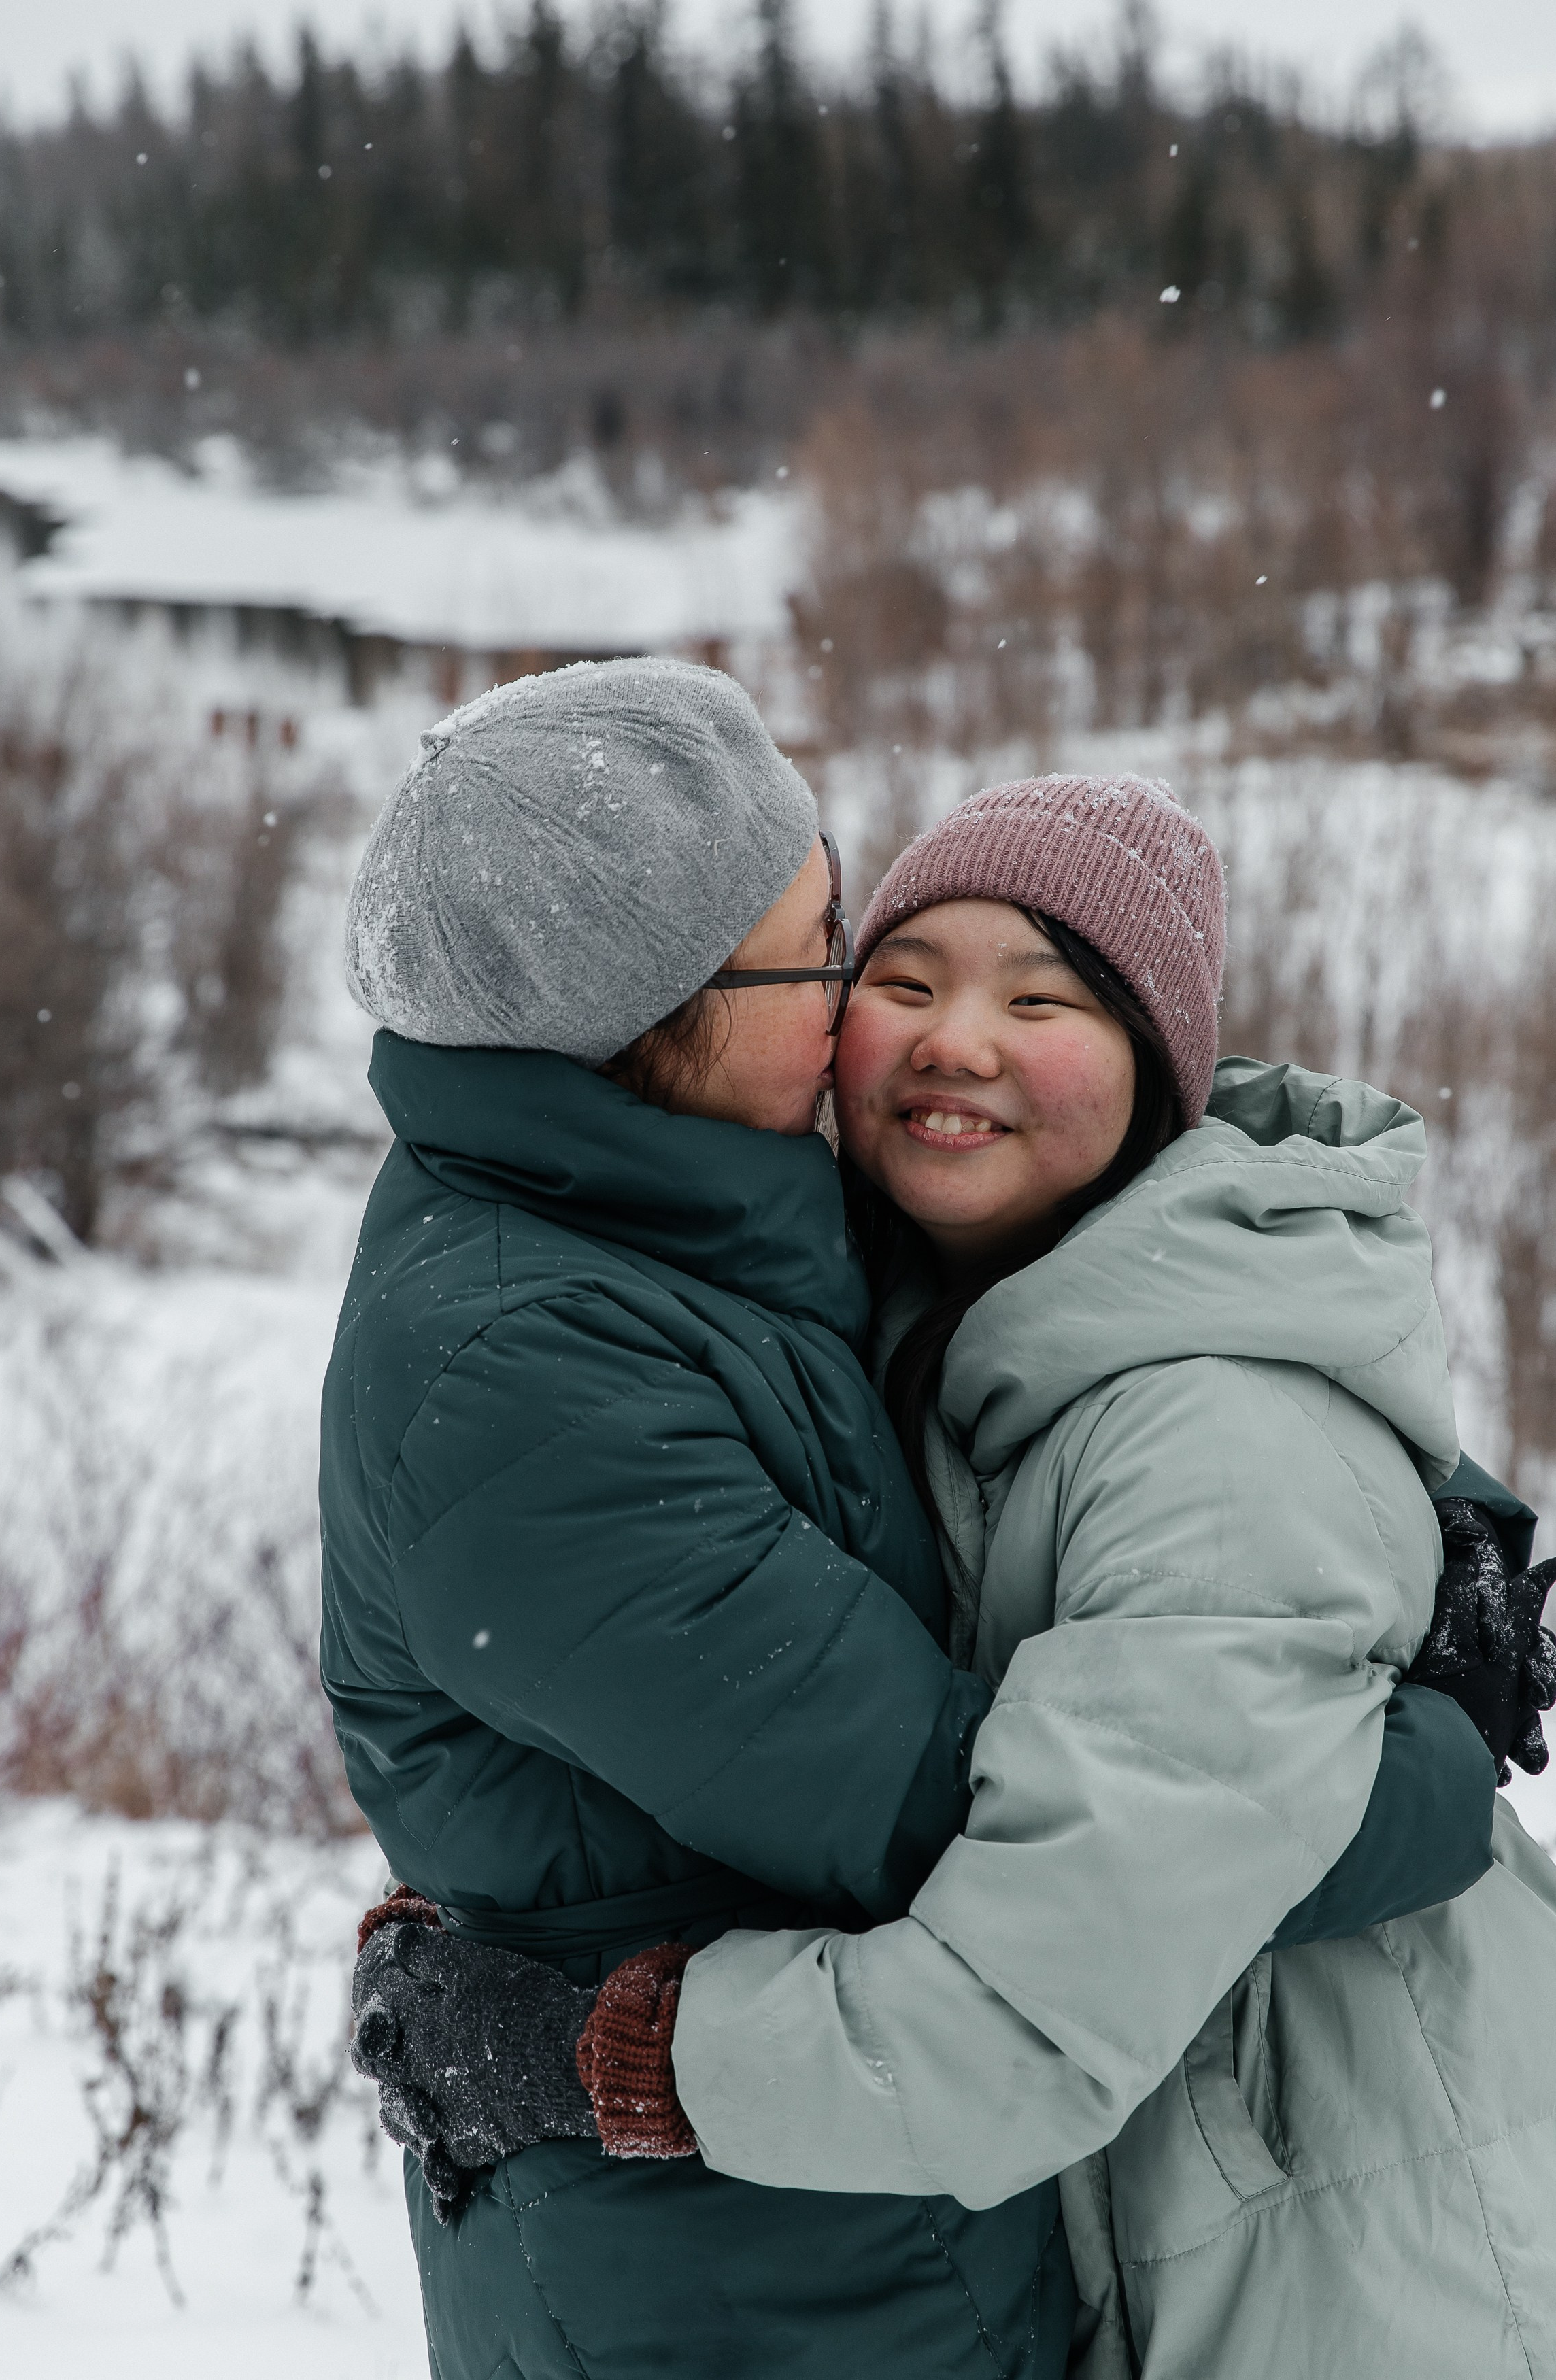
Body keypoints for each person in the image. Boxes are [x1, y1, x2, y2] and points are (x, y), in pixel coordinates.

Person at [325, 682, 1520, 2380]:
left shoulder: (703, 1220)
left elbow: (1220, 1367)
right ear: (658, 1017)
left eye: (1038, 997)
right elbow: (998, 1827)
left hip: (1059, 2224)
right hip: (746, 2276)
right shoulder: (547, 1363)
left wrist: (1434, 1517)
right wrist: (1429, 1764)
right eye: (845, 959)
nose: (883, 1024)